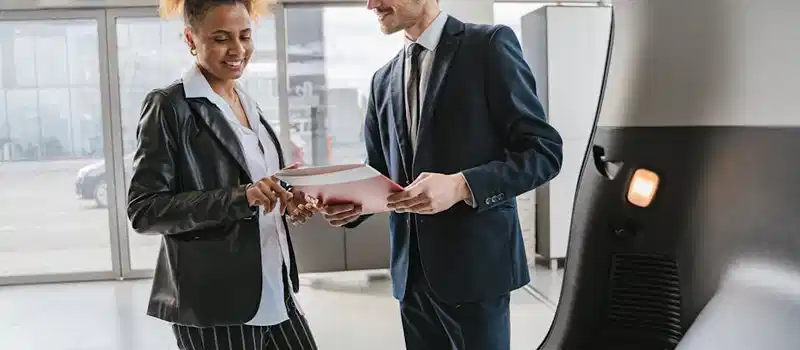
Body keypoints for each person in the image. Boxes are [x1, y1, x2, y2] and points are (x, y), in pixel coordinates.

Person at [320, 0, 564, 349]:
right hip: (411, 277)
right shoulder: (382, 80)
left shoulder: (489, 46)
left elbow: (543, 152)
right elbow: (381, 171)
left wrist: (462, 185)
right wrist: (351, 203)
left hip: (476, 271)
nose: (371, 4)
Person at [126, 0, 319, 349]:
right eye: (221, 38)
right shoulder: (170, 106)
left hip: (275, 288)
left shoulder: (245, 101)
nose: (238, 49)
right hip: (217, 301)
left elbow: (256, 184)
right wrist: (241, 197)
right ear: (191, 39)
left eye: (245, 36)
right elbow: (145, 210)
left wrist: (287, 198)